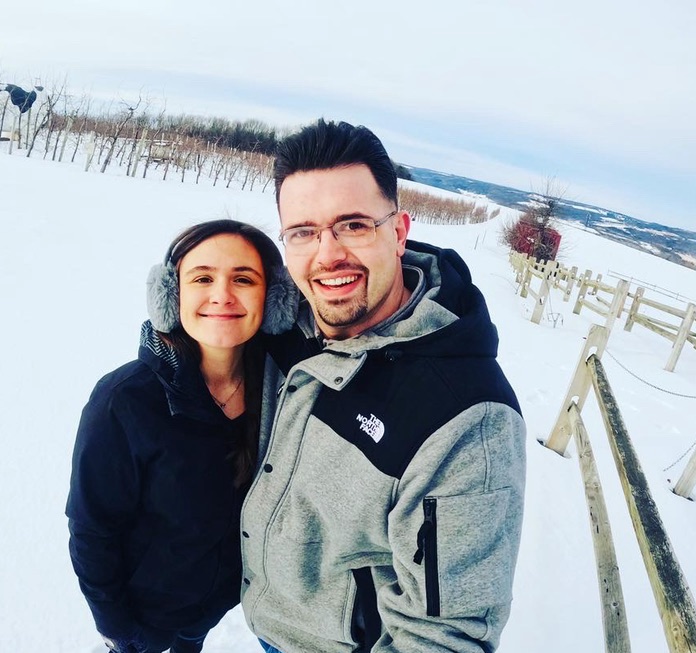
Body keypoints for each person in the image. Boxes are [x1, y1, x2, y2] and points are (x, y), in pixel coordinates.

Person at [240, 120, 527, 653]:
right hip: (266, 621)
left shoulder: (465, 415)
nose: (327, 255)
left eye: (353, 225)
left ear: (398, 232)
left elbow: (444, 639)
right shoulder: (291, 321)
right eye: (302, 232)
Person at [66, 219, 298, 653]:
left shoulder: (284, 387)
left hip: (216, 604)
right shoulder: (124, 400)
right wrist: (117, 627)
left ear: (273, 299)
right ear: (171, 297)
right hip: (143, 619)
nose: (222, 295)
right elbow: (92, 529)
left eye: (243, 279)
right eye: (202, 278)